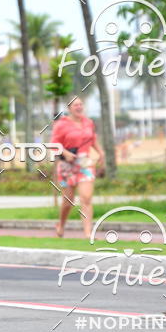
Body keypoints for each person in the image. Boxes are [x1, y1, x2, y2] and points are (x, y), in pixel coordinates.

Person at [51, 97, 105, 239]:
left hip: (85, 164)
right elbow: (53, 144)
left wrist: (101, 152)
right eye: (76, 105)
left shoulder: (89, 122)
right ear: (69, 108)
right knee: (68, 201)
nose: (79, 107)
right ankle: (61, 224)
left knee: (86, 198)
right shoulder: (61, 124)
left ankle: (88, 233)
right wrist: (66, 153)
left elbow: (92, 139)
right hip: (66, 166)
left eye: (81, 104)